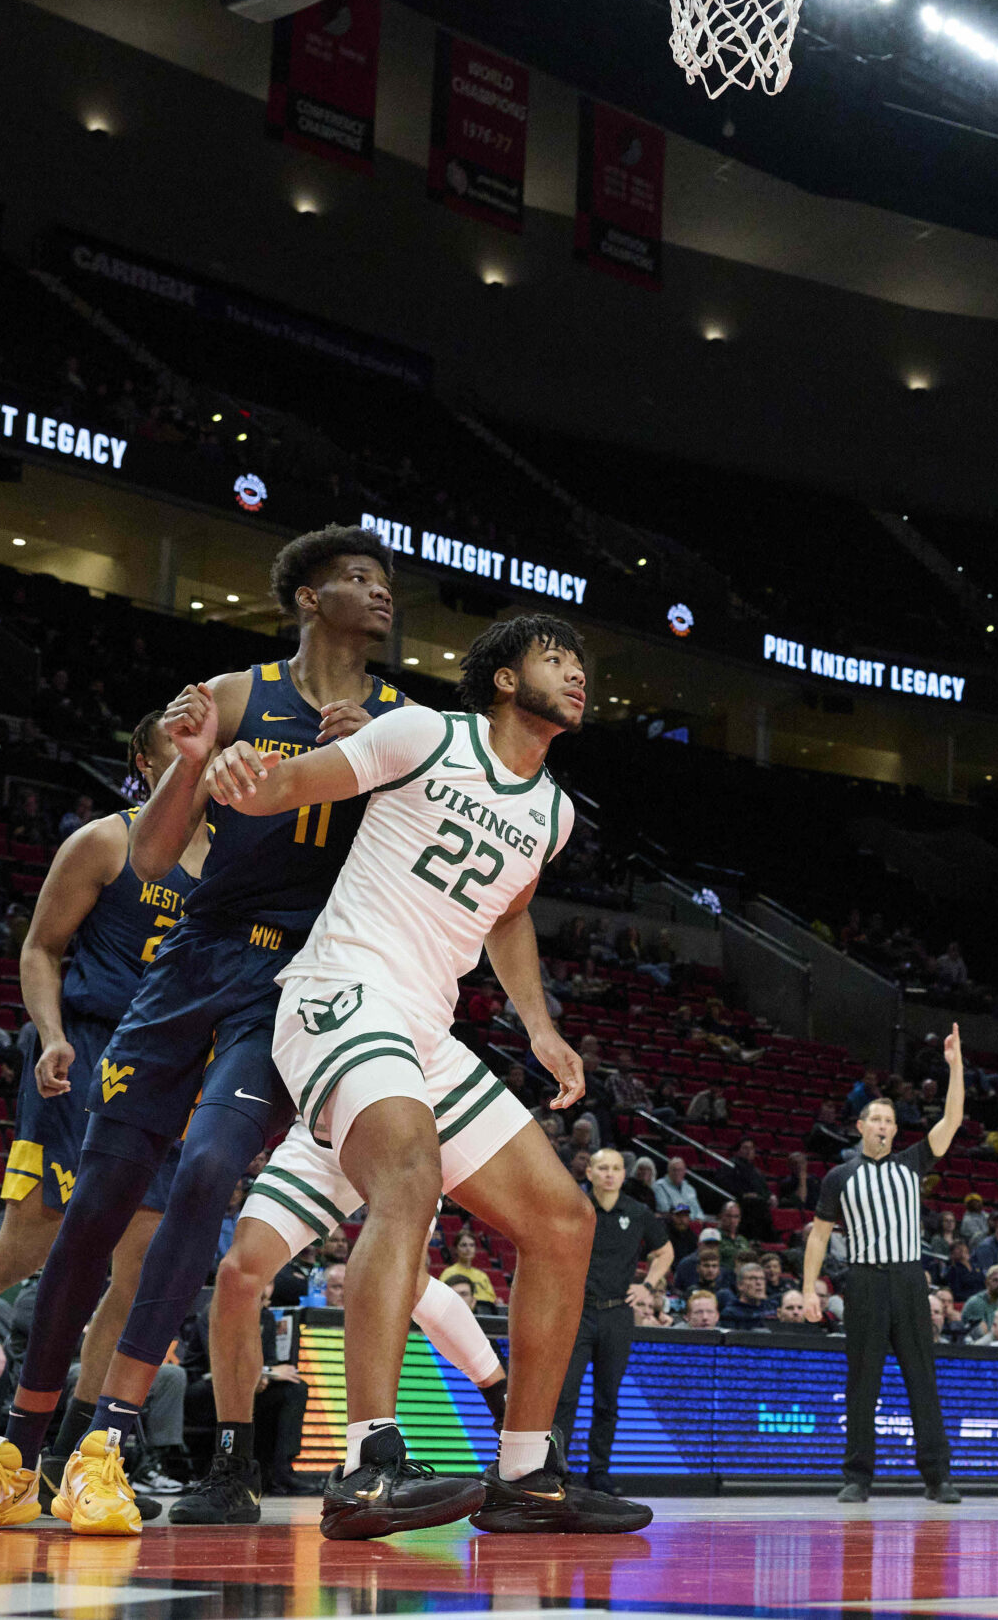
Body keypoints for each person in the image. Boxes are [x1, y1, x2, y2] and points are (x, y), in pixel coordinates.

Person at [0, 526, 412, 1538]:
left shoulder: (400, 725)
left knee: (212, 1171)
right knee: (92, 1211)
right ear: (306, 598)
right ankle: (20, 1445)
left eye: (385, 579)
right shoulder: (231, 695)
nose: (380, 592)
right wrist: (186, 765)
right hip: (192, 958)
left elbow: (410, 867)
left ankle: (108, 1440)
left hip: (293, 978)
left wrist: (371, 773)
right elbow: (151, 854)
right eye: (356, 576)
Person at [199, 612, 642, 1538]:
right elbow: (289, 785)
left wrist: (540, 1026)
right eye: (556, 657)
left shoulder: (554, 813)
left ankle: (525, 1472)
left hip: (425, 1027)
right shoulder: (425, 732)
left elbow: (508, 916)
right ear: (507, 680)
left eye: (581, 660)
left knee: (564, 1221)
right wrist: (232, 774)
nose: (577, 672)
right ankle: (367, 1464)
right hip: (341, 988)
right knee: (407, 1174)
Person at [0, 716, 204, 1524]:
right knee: (27, 1249)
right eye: (181, 747)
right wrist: (45, 1036)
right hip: (83, 1055)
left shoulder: (233, 864)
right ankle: (36, 1446)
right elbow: (41, 947)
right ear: (144, 763)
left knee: (138, 1270)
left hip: (169, 1071)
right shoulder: (104, 843)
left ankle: (81, 1452)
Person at [171, 1118, 517, 1523]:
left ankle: (503, 1414)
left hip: (399, 1122)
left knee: (405, 1279)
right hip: (321, 1127)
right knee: (237, 1273)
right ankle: (235, 1471)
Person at [799, 1027, 967, 1505]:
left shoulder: (913, 1163)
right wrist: (811, 1289)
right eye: (874, 1118)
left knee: (922, 1380)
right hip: (866, 1282)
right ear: (861, 1126)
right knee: (862, 1383)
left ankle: (937, 1478)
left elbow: (953, 1118)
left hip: (910, 1280)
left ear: (895, 1130)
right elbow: (819, 1235)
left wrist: (955, 1067)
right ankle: (858, 1477)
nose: (881, 1126)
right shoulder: (838, 1177)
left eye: (889, 1121)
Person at [559, 1149, 673, 1495]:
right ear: (589, 1172)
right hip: (578, 1311)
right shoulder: (574, 1206)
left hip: (617, 1314)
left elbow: (665, 1252)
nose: (609, 1174)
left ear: (624, 1175)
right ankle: (557, 1469)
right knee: (565, 1395)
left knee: (607, 1397)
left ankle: (600, 1470)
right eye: (602, 1168)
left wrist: (648, 1286)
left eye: (616, 1169)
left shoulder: (637, 1213)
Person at [440, 1231, 500, 1306]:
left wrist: (498, 1301)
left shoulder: (482, 1275)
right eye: (463, 1245)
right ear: (456, 1249)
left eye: (472, 1245)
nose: (468, 1249)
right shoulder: (448, 1273)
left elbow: (493, 1299)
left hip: (486, 1312)